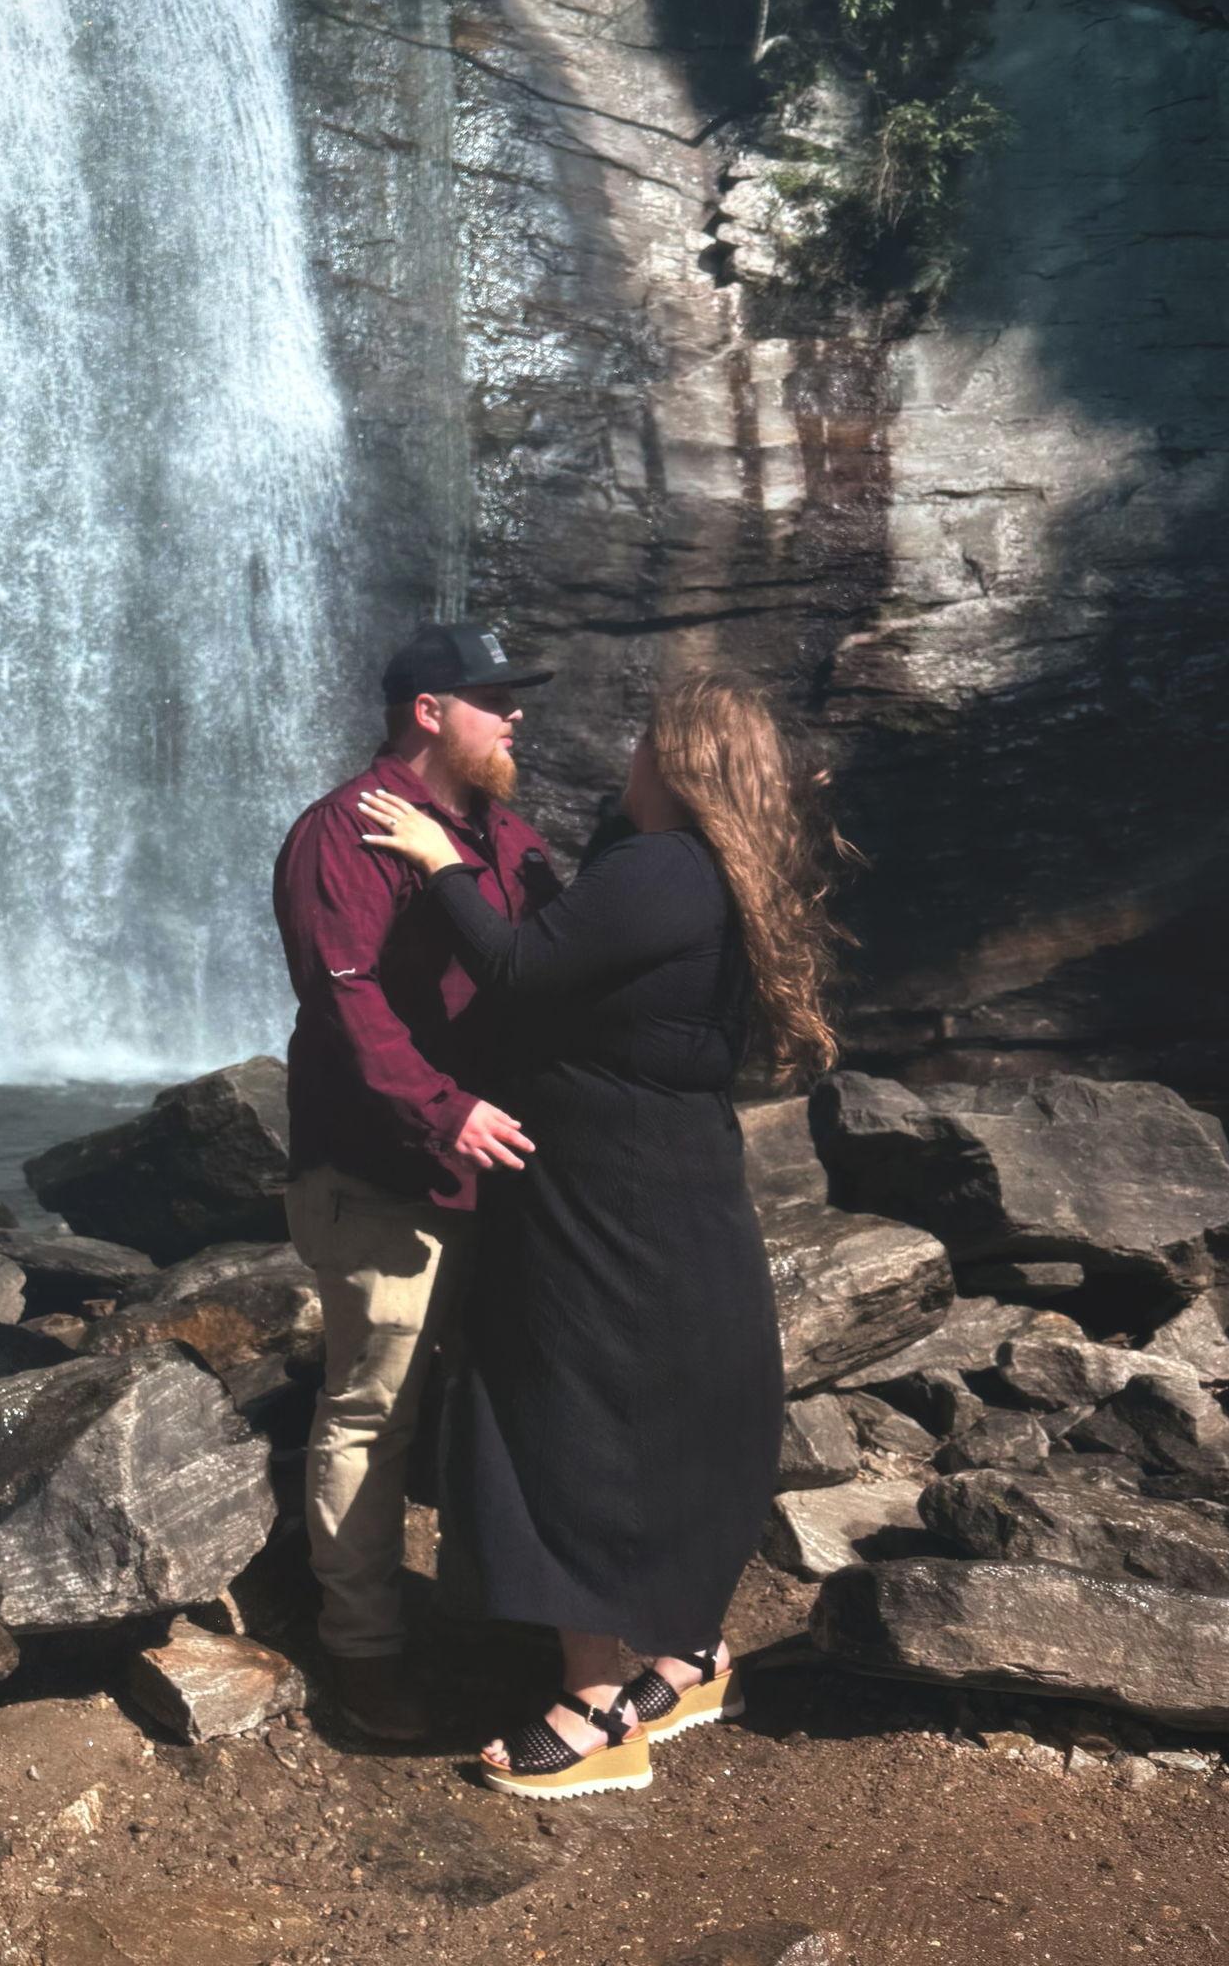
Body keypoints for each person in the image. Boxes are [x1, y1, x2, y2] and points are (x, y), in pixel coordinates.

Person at [355, 672, 854, 1797]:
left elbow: (520, 966)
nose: (621, 760)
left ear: (672, 763)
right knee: (672, 1404)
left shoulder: (663, 872)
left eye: (642, 746)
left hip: (606, 1198)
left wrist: (438, 863)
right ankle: (685, 1656)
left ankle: (595, 1705)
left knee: (565, 1409)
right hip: (664, 1180)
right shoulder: (704, 868)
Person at [273, 621, 560, 1741]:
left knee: (497, 1405)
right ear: (428, 711)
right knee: (372, 1411)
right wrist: (444, 1112)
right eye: (494, 697)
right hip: (382, 1174)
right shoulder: (338, 834)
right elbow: (344, 1008)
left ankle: (509, 1615)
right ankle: (363, 1651)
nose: (516, 714)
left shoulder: (497, 832)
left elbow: (553, 958)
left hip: (495, 1170)